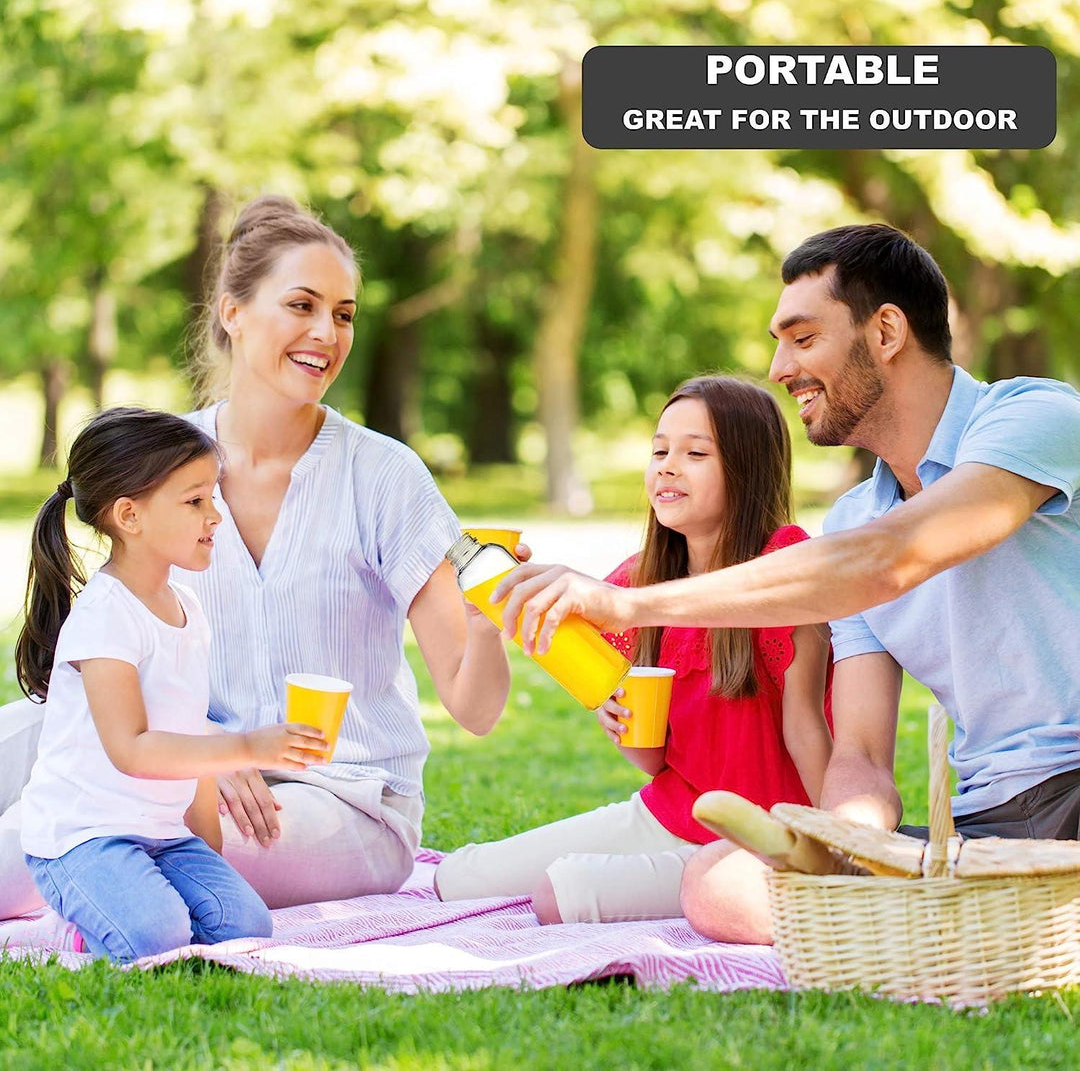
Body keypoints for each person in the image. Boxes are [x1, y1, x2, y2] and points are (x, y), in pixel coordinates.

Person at [489, 224, 1080, 943]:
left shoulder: (1032, 418)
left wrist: (627, 602)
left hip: (1072, 785)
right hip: (986, 823)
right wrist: (838, 851)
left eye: (802, 339)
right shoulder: (851, 521)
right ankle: (963, 926)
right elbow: (859, 754)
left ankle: (985, 926)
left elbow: (894, 556)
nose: (778, 368)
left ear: (886, 330)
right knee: (718, 883)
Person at [0, 195, 512, 917]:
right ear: (232, 311)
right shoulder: (162, 462)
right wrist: (216, 748)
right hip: (188, 755)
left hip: (343, 798)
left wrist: (491, 617)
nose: (326, 333)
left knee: (50, 846)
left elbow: (475, 706)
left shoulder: (385, 476)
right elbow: (120, 664)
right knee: (19, 732)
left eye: (343, 313)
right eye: (301, 305)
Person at [435, 376, 833, 923]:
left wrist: (836, 851)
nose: (668, 465)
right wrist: (615, 717)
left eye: (695, 452)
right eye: (659, 450)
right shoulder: (635, 583)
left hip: (756, 836)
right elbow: (652, 759)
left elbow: (807, 728)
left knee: (562, 892)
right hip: (666, 815)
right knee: (458, 879)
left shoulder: (780, 567)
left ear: (747, 469)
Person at [14, 407, 330, 962]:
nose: (217, 516)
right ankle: (65, 928)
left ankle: (126, 903)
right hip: (83, 836)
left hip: (161, 835)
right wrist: (247, 747)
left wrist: (202, 857)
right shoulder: (106, 615)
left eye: (213, 496)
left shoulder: (187, 609)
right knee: (156, 937)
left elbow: (190, 737)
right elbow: (132, 749)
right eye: (195, 501)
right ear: (129, 516)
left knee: (244, 927)